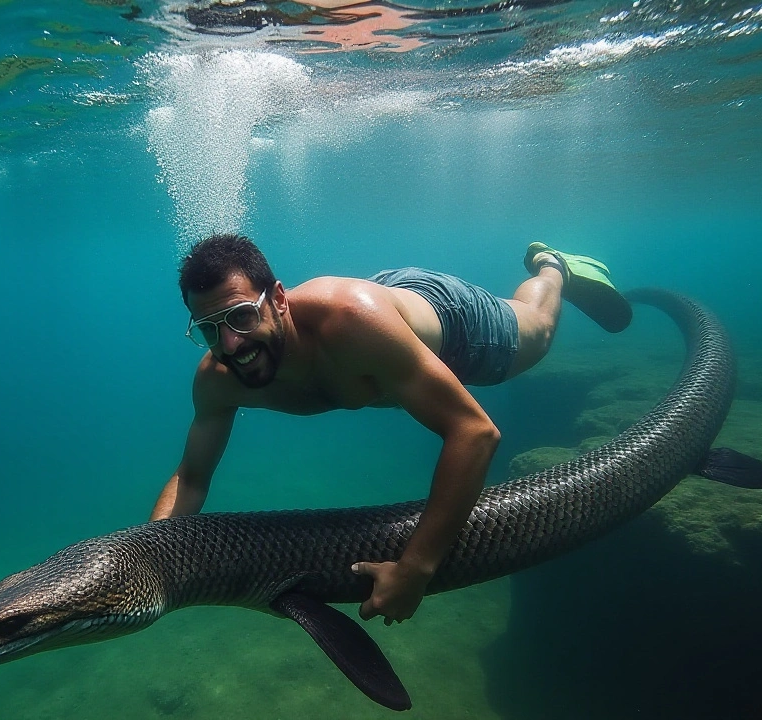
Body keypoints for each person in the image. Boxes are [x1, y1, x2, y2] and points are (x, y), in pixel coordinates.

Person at [150, 234, 631, 625]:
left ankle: (553, 266)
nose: (230, 343)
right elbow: (192, 478)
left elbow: (475, 432)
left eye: (240, 316)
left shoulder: (351, 328)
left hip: (444, 323)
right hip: (379, 311)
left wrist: (416, 568)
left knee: (539, 332)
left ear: (278, 300)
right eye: (210, 328)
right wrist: (151, 558)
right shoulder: (218, 380)